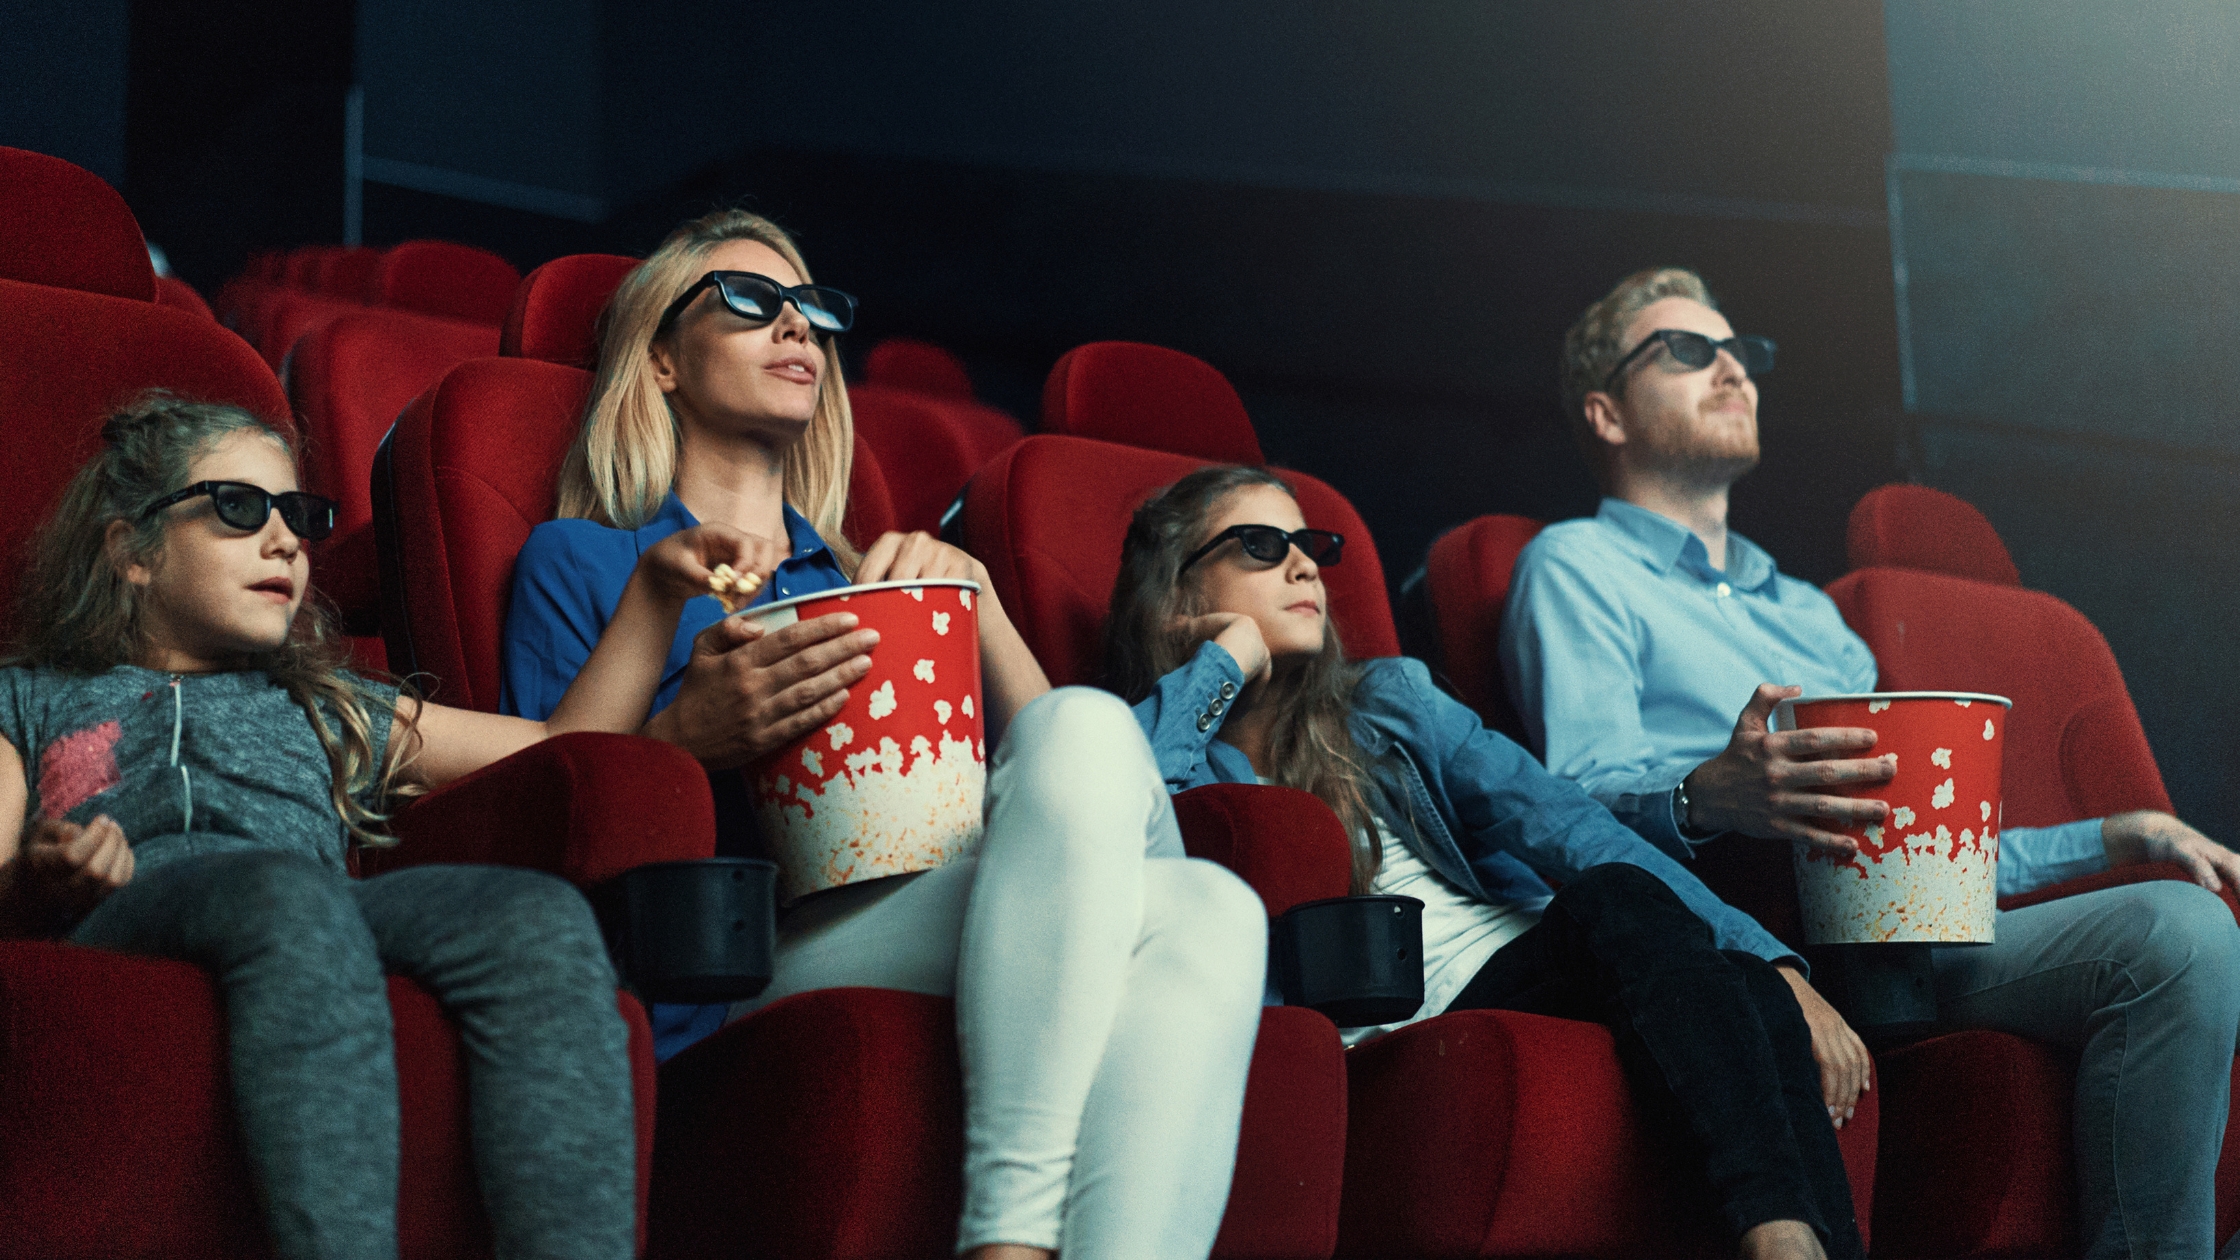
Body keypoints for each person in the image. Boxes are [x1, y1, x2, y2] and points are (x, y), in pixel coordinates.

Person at [501, 208, 1267, 1260]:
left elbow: (1093, 787)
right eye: (748, 303)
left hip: (925, 897)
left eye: (811, 310)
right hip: (740, 955)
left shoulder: (869, 575)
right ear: (663, 361)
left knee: (1210, 903)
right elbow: (557, 811)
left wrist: (983, 606)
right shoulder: (584, 559)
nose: (796, 329)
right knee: (1185, 892)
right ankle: (1006, 1237)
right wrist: (687, 733)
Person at [1502, 266, 2240, 1259]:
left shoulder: (1809, 615)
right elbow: (1568, 807)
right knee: (2175, 935)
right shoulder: (1573, 566)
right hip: (1744, 944)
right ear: (1604, 411)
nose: (1729, 367)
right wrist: (1707, 794)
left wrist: (2117, 838)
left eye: (1737, 351)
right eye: (1683, 350)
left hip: (1890, 933)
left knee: (2181, 922)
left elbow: (1918, 856)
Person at [0, 393, 762, 1260]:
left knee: (537, 916)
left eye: (299, 515)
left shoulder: (324, 700)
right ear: (130, 550)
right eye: (239, 510)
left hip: (310, 904)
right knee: (286, 898)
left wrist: (655, 589)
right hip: (133, 904)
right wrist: (43, 876)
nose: (286, 540)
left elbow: (557, 745)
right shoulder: (30, 697)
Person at [1106, 464, 1865, 1260]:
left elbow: (1565, 824)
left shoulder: (1389, 699)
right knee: (1639, 916)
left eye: (1309, 545)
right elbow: (1135, 809)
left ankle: (1786, 1241)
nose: (1303, 565)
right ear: (1180, 595)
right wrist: (1221, 663)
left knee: (1708, 957)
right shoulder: (1161, 746)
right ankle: (1779, 1237)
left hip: (1540, 961)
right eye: (1260, 546)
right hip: (1414, 1012)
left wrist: (1770, 960)